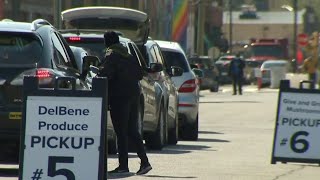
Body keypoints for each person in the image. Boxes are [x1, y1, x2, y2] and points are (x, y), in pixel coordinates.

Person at [98, 31, 152, 175]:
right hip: (134, 96)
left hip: (119, 98)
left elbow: (105, 74)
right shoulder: (128, 55)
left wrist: (98, 71)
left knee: (121, 132)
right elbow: (140, 74)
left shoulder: (111, 55)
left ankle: (123, 166)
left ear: (107, 42)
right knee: (132, 130)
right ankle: (144, 162)